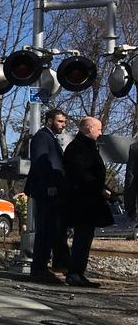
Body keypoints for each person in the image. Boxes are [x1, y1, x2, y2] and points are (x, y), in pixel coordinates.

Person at [61, 116, 111, 288]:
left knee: (84, 237)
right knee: (82, 238)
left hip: (86, 200)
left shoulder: (83, 146)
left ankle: (77, 272)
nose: (101, 132)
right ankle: (75, 273)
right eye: (99, 128)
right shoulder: (80, 148)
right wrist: (100, 188)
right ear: (89, 128)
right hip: (83, 202)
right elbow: (82, 173)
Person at [23, 108, 71, 282]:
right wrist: (49, 184)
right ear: (50, 120)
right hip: (47, 191)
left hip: (53, 191)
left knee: (55, 229)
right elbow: (41, 162)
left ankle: (59, 264)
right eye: (60, 121)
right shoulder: (43, 137)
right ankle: (39, 268)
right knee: (45, 230)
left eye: (64, 122)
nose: (63, 125)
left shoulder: (50, 138)